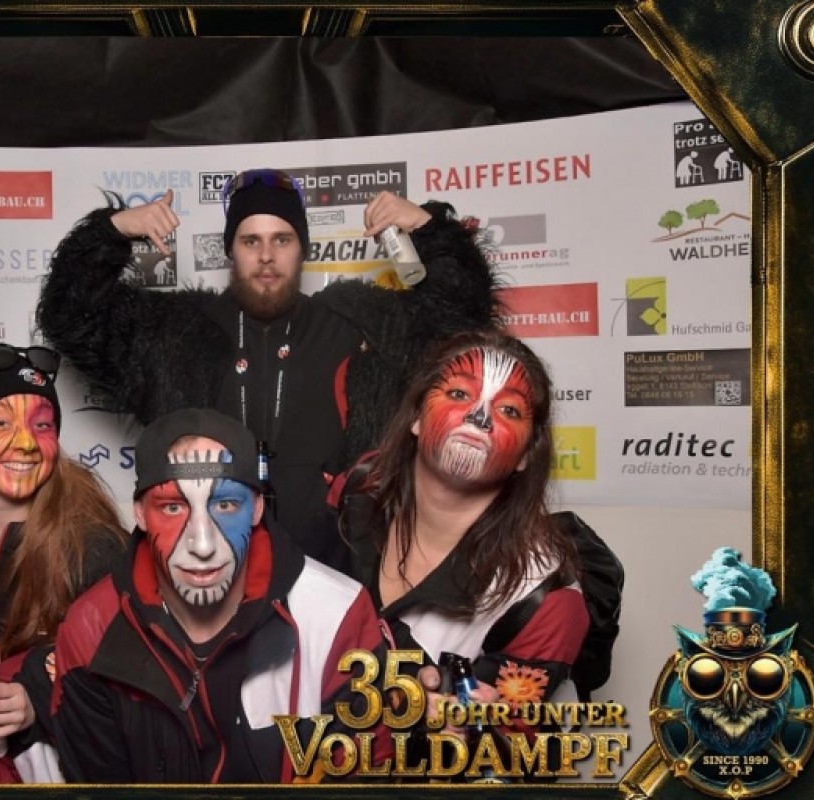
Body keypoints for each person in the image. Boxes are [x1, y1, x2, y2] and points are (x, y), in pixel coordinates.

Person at [37, 169, 497, 573]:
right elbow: (71, 317)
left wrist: (428, 229)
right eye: (250, 241)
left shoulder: (356, 323)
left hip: (338, 575)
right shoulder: (178, 332)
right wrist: (112, 232)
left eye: (282, 239)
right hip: (205, 576)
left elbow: (460, 322)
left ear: (302, 249)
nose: (266, 255)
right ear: (230, 251)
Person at [50, 408, 393, 783]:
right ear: (141, 515)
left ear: (257, 509)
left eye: (225, 505)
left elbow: (364, 780)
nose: (202, 545)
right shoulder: (91, 629)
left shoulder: (336, 614)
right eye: (173, 507)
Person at [335, 329, 589, 778]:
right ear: (416, 418)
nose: (479, 416)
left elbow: (506, 756)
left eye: (508, 409)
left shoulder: (544, 598)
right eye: (458, 394)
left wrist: (476, 729)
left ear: (526, 455)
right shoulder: (357, 490)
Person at [0, 343, 127, 783]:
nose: (27, 442)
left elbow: (127, 670)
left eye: (42, 425)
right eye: (1, 423)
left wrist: (37, 697)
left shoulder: (93, 542)